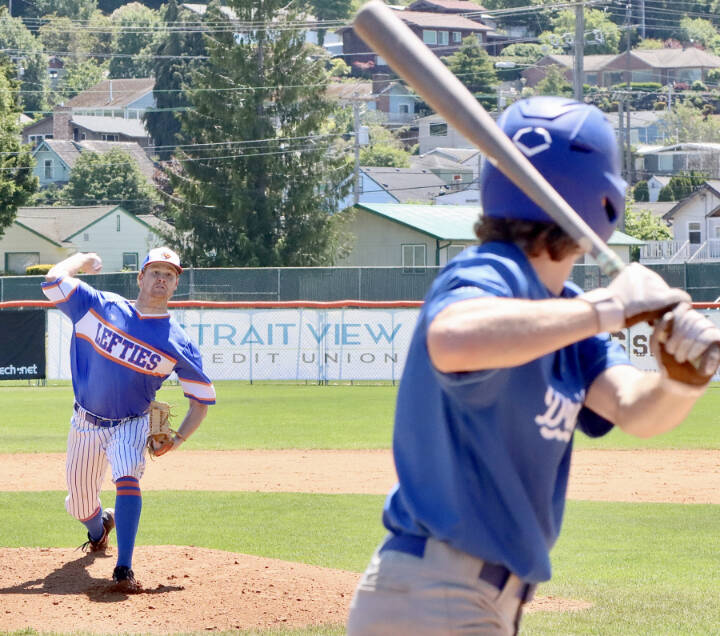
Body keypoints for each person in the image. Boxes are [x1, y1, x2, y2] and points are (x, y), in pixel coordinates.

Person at [346, 97, 720, 635]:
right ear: (604, 200)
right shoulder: (491, 272)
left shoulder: (564, 312)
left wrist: (682, 380)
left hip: (464, 599)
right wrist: (610, 307)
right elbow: (451, 338)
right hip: (437, 593)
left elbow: (635, 411)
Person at [42, 247, 215, 593]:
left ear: (176, 283)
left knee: (127, 474)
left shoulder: (177, 342)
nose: (161, 279)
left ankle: (124, 568)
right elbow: (53, 281)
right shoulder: (100, 306)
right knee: (79, 503)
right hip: (85, 424)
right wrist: (83, 259)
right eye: (155, 271)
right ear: (140, 278)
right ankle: (98, 527)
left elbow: (202, 399)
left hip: (131, 423)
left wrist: (177, 439)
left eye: (169, 274)